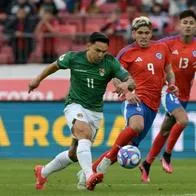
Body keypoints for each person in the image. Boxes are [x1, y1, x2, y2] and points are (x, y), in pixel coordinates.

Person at [77, 16, 179, 189]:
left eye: (147, 32)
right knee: (136, 126)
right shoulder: (127, 52)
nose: (144, 36)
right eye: (140, 32)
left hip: (153, 105)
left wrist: (172, 84)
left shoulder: (162, 47)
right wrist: (126, 91)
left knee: (129, 146)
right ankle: (109, 159)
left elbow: (168, 69)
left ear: (151, 33)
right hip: (135, 98)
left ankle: (89, 173)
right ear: (133, 33)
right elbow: (114, 76)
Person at [28, 32, 135, 191]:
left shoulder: (110, 62)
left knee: (73, 154)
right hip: (74, 104)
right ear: (88, 46)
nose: (101, 55)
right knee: (84, 133)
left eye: (104, 51)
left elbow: (131, 81)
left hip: (95, 111)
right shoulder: (73, 58)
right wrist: (37, 80)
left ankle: (42, 172)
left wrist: (127, 86)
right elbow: (54, 66)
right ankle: (89, 175)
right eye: (97, 50)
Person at [139, 9, 196, 183]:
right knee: (183, 120)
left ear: (195, 27)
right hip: (167, 91)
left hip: (184, 95)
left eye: (191, 23)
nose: (187, 26)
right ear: (179, 25)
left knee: (164, 130)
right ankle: (167, 155)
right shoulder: (167, 44)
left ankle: (146, 165)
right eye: (185, 22)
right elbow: (148, 51)